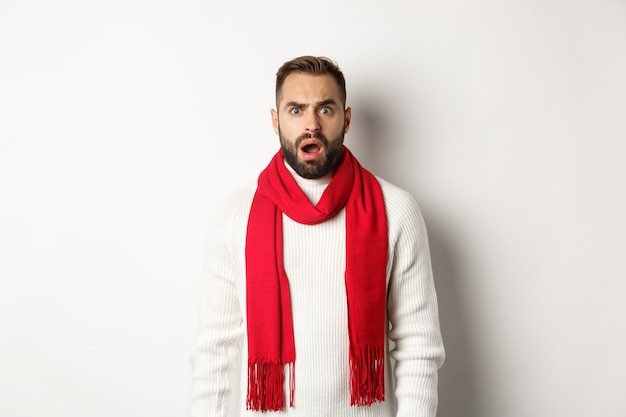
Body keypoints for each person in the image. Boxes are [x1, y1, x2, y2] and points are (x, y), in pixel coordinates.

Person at [190, 56, 445, 417]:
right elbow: (214, 353)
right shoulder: (234, 216)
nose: (311, 125)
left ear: (347, 118)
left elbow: (419, 346)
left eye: (325, 109)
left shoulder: (396, 210)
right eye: (296, 110)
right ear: (276, 120)